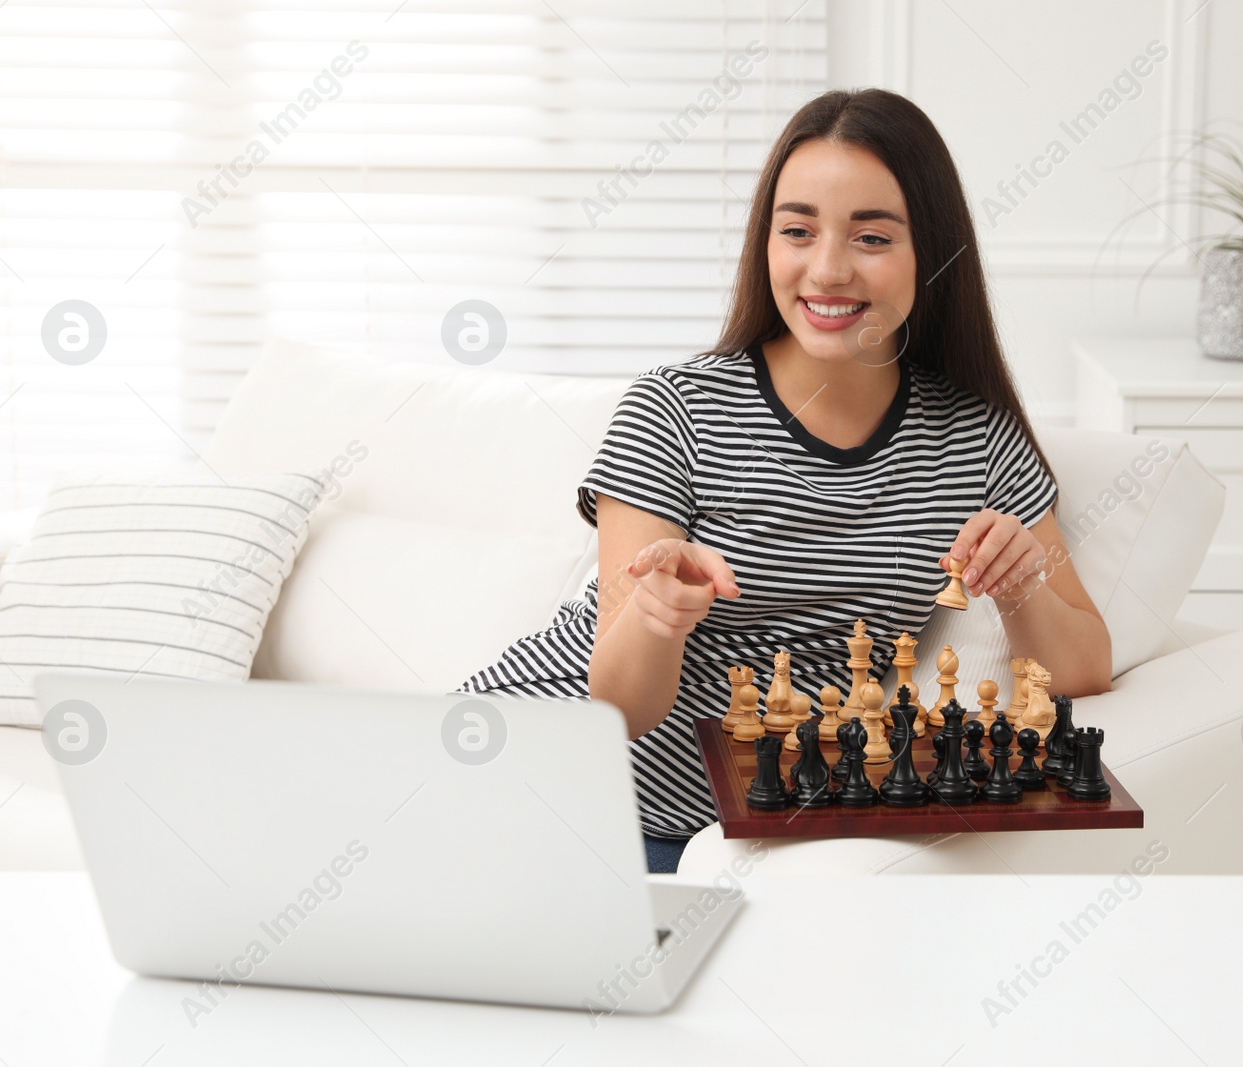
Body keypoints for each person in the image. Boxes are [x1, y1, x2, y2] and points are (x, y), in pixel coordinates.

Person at [456, 88, 1112, 874]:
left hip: (737, 831)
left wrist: (1020, 582)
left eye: (871, 236)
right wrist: (659, 614)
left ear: (930, 251)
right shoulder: (675, 410)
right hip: (542, 777)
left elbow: (1083, 666)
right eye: (796, 230)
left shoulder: (977, 439)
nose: (827, 269)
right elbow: (617, 702)